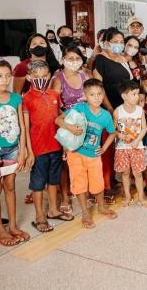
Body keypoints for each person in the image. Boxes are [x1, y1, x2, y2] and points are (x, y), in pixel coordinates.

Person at [55, 79, 117, 229]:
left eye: (99, 94)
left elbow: (112, 133)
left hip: (94, 155)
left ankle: (101, 207)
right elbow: (58, 119)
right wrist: (69, 127)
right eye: (92, 94)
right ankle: (85, 213)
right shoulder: (79, 108)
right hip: (75, 153)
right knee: (79, 183)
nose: (96, 97)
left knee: (98, 182)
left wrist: (103, 148)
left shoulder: (105, 116)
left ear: (103, 95)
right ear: (85, 95)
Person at [23, 60, 73, 233]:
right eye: (36, 77)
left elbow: (60, 121)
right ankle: (39, 216)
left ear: (50, 77)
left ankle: (52, 209)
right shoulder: (26, 99)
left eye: (44, 76)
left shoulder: (53, 95)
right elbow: (25, 128)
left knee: (54, 180)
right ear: (29, 77)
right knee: (38, 184)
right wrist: (28, 151)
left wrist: (65, 144)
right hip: (38, 149)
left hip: (55, 146)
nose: (41, 79)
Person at [0, 56, 29, 245]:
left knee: (10, 187)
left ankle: (12, 226)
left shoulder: (16, 98)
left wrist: (23, 150)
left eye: (7, 76)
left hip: (12, 149)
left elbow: (22, 125)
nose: (4, 80)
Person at [92, 28, 132, 203]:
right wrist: (109, 108)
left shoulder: (122, 59)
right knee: (107, 147)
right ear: (107, 43)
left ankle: (119, 180)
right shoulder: (100, 60)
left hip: (125, 109)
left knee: (122, 147)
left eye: (121, 41)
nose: (119, 44)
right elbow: (98, 87)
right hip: (109, 110)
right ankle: (105, 186)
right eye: (115, 41)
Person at [51, 46, 89, 215]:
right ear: (63, 60)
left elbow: (92, 96)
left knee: (84, 159)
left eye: (77, 58)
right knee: (66, 163)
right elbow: (54, 104)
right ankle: (65, 197)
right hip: (66, 123)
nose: (74, 62)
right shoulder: (58, 79)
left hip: (85, 123)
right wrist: (68, 124)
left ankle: (82, 190)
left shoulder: (84, 75)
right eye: (70, 58)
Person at [113, 80, 147, 207]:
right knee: (125, 172)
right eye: (133, 94)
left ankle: (141, 195)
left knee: (138, 173)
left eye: (137, 94)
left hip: (137, 147)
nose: (137, 97)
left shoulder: (140, 110)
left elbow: (144, 128)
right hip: (122, 148)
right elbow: (113, 130)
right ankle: (127, 195)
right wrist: (120, 135)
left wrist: (137, 140)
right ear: (124, 96)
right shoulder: (117, 111)